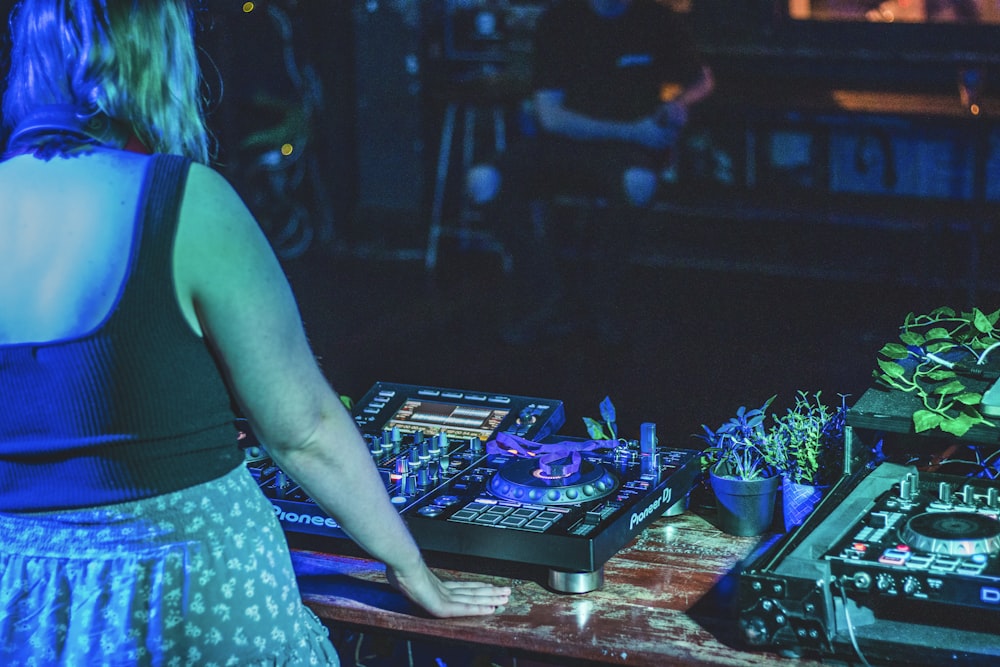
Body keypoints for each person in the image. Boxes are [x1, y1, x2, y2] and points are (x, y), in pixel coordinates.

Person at [0, 1, 510, 665]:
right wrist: (410, 566)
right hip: (187, 589)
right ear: (154, 51)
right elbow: (301, 427)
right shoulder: (183, 200)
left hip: (27, 597)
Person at [466, 0, 714, 345]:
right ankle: (547, 288)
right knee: (483, 180)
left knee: (638, 183)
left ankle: (601, 298)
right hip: (568, 142)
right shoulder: (560, 21)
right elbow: (551, 116)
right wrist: (635, 131)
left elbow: (701, 79)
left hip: (625, 150)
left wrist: (679, 104)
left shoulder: (656, 19)